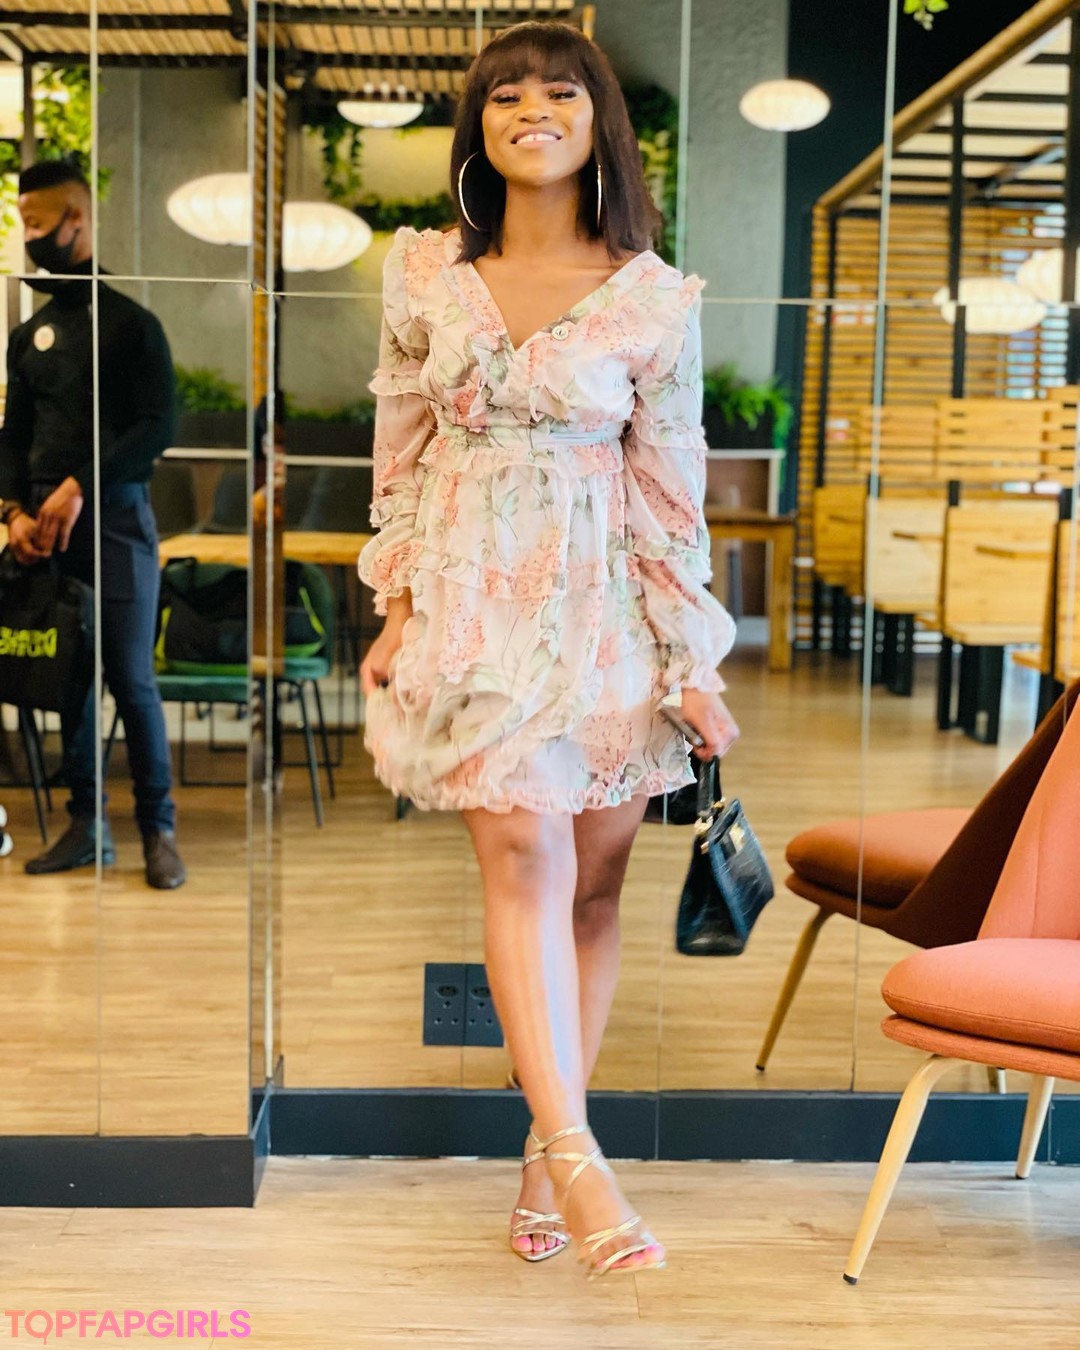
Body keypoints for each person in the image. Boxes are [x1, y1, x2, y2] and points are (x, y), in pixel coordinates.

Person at [358, 22, 737, 1278]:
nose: (532, 109)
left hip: (607, 614)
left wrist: (690, 661)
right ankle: (579, 1159)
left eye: (558, 91)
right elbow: (402, 457)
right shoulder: (423, 274)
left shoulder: (654, 296)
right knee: (523, 851)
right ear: (477, 129)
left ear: (596, 121)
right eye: (505, 94)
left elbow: (669, 492)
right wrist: (397, 609)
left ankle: (540, 1145)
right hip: (471, 606)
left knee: (591, 887)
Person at [0, 160, 185, 890]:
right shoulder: (30, 335)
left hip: (116, 523)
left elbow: (157, 426)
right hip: (42, 536)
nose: (28, 236)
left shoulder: (133, 326)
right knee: (68, 679)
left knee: (131, 680)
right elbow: (12, 438)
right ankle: (87, 827)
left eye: (37, 223)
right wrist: (13, 512)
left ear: (76, 220)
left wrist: (81, 485)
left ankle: (158, 831)